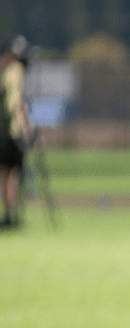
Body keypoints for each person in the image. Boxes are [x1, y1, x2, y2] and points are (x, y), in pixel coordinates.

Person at [0, 35, 31, 229]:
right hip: (12, 131)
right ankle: (12, 215)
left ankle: (9, 215)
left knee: (6, 174)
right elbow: (14, 103)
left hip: (8, 131)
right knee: (11, 174)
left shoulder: (9, 71)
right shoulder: (15, 72)